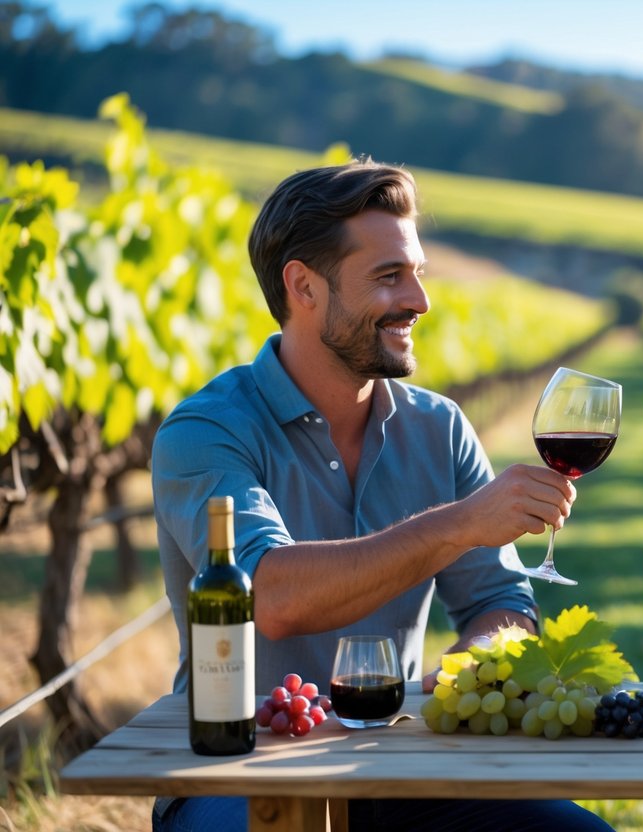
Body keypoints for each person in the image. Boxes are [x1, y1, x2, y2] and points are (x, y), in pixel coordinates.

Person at [151, 159, 613, 831]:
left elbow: (500, 601)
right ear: (303, 287)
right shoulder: (206, 431)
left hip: (396, 763)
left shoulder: (438, 426)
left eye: (418, 272)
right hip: (237, 767)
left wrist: (475, 663)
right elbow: (268, 596)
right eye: (389, 276)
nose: (420, 301)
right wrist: (457, 525)